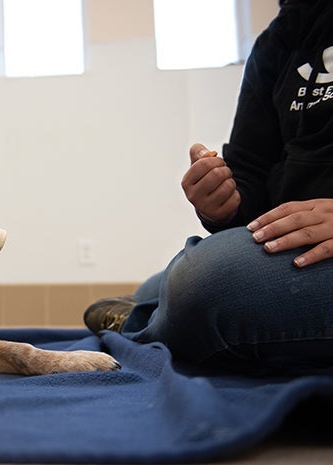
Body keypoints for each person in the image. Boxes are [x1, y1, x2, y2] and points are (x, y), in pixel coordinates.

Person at [84, 0, 333, 374]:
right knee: (162, 286)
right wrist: (223, 205)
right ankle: (163, 312)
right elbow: (250, 166)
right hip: (300, 242)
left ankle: (149, 323)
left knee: (201, 284)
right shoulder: (283, 34)